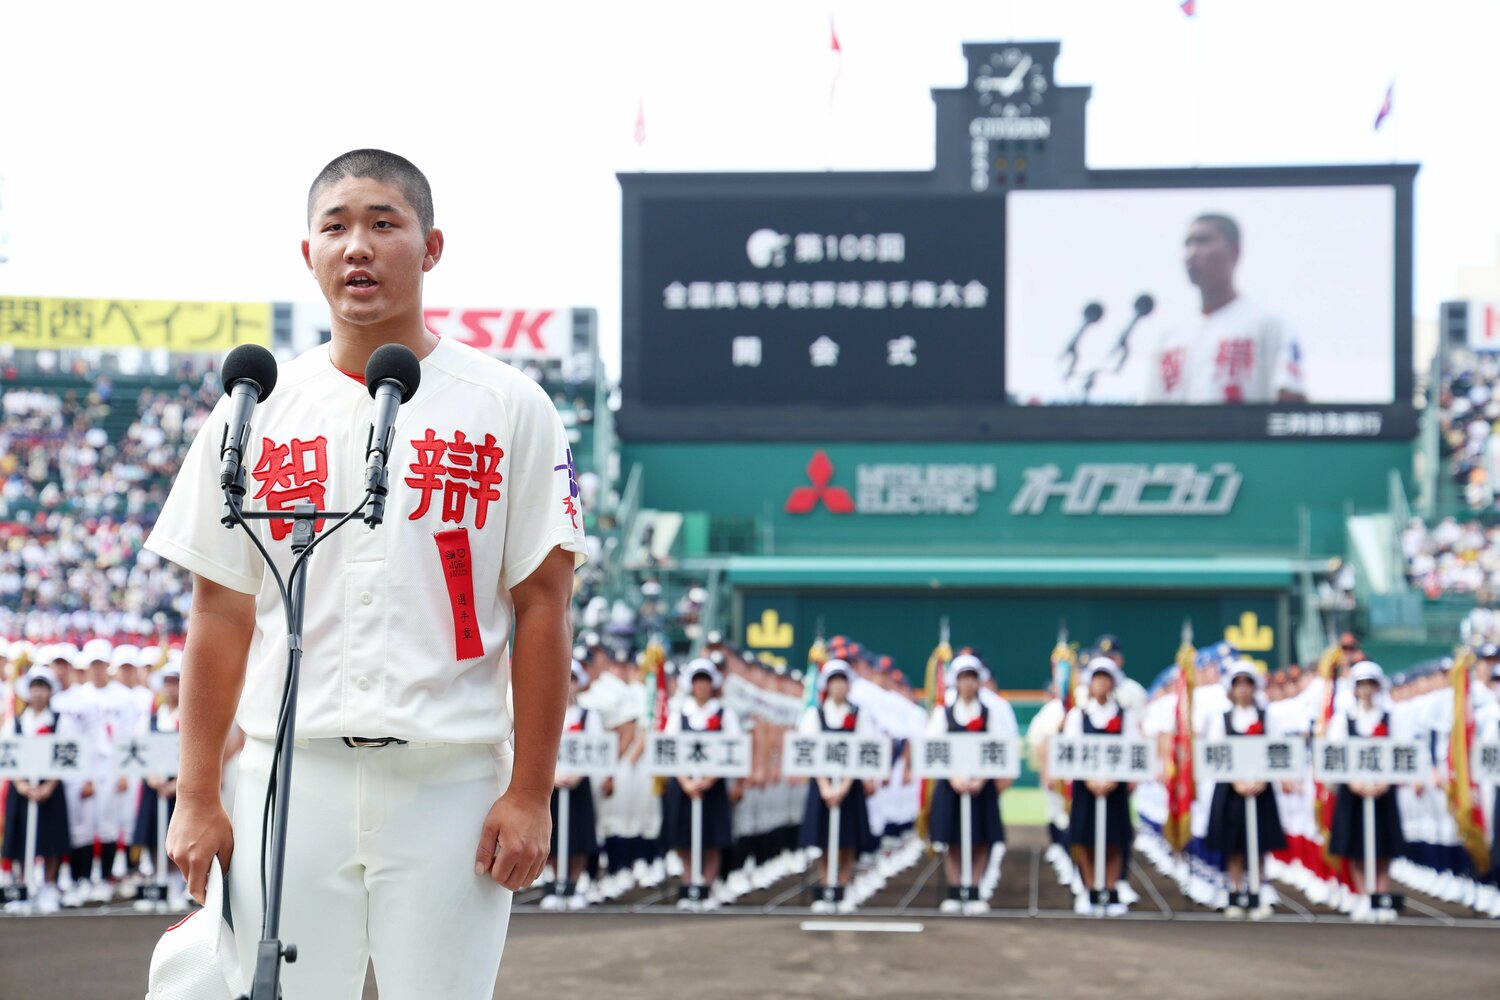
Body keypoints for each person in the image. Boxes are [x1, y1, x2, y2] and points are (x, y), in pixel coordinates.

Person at [145, 149, 586, 998]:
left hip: (449, 780)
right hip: (287, 775)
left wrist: (530, 792)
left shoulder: (505, 404)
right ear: (305, 252)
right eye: (336, 226)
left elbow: (542, 605)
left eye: (385, 223)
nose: (359, 247)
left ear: (432, 247)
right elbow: (220, 613)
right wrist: (197, 792)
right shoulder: (256, 407)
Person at [1143, 213, 1308, 405]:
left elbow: (1291, 398)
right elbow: (1150, 414)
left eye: (1203, 241)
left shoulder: (1268, 323)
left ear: (1235, 251)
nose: (1192, 252)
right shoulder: (1170, 337)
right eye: (1187, 244)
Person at [926, 654, 1013, 915]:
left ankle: (974, 888)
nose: (967, 683)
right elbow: (933, 747)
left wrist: (980, 779)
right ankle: (955, 890)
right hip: (951, 786)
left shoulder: (990, 713)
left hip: (980, 786)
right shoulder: (944, 712)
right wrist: (953, 777)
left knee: (980, 838)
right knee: (952, 838)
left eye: (972, 678)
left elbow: (997, 749)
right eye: (963, 678)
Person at [1203, 661, 1288, 919]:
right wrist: (1236, 781)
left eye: (1247, 684)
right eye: (1237, 684)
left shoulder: (1267, 717)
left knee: (1259, 844)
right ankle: (1235, 892)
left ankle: (1259, 891)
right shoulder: (1222, 719)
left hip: (1260, 789)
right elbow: (1215, 754)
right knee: (1234, 844)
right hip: (1231, 791)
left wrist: (1262, 779)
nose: (1242, 690)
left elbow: (1277, 750)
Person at [1327, 660, 1407, 923]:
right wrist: (1351, 782)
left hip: (1382, 792)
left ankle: (1380, 894)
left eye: (1371, 684)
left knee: (1383, 846)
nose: (1366, 690)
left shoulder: (1390, 718)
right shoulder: (1343, 720)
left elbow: (1401, 753)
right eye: (1362, 685)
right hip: (1354, 792)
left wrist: (1386, 781)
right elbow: (1334, 755)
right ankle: (1363, 894)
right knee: (1355, 844)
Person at [798, 659, 877, 913]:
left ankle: (843, 886)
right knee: (823, 840)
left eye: (843, 681)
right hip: (823, 786)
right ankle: (826, 886)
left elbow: (864, 749)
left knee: (847, 839)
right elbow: (808, 750)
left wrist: (843, 786)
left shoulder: (859, 714)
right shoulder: (815, 714)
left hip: (848, 787)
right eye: (834, 681)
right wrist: (824, 787)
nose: (839, 686)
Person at [661, 658, 740, 910]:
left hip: (712, 787)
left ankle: (707, 886)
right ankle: (688, 884)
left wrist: (709, 779)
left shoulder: (724, 713)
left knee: (712, 839)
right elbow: (669, 749)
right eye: (698, 681)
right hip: (684, 787)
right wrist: (685, 781)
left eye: (706, 681)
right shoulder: (679, 713)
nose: (702, 686)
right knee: (685, 838)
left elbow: (733, 750)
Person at [1063, 657, 1137, 917]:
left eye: (1106, 679)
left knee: (1115, 840)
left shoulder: (1125, 716)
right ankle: (1090, 889)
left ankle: (1111, 889)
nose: (1101, 684)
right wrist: (1090, 780)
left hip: (1114, 789)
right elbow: (1070, 751)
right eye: (1097, 678)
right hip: (1087, 788)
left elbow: (1132, 751)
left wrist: (1114, 780)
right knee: (1087, 840)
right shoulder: (1078, 716)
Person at [1, 667, 71, 914]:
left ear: (49, 691)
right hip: (22, 790)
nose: (38, 693)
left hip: (49, 789)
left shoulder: (59, 720)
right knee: (20, 837)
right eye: (34, 687)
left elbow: (66, 755)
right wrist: (21, 785)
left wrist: (48, 786)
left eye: (42, 687)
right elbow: (7, 754)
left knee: (51, 838)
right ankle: (22, 887)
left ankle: (47, 887)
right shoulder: (17, 722)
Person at [543, 662, 603, 911]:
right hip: (550, 784)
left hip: (579, 785)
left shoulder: (590, 716)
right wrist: (552, 777)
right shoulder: (544, 712)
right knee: (552, 836)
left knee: (579, 835)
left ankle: (574, 884)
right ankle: (556, 884)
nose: (568, 685)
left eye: (572, 679)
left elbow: (599, 748)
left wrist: (578, 775)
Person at [132, 660, 186, 913]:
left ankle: (176, 886)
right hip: (154, 788)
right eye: (167, 683)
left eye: (175, 682)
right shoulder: (150, 720)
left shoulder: (188, 718)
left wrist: (178, 783)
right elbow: (139, 750)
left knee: (177, 836)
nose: (171, 688)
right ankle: (156, 884)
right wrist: (152, 778)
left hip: (180, 789)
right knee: (153, 837)